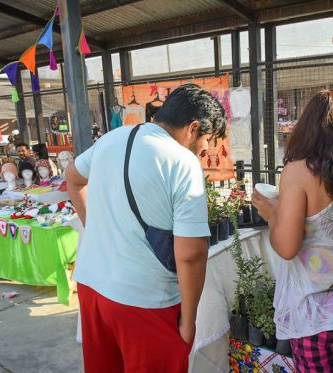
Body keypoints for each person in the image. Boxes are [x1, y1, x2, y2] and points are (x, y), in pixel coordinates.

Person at [65, 84, 226, 373]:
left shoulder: (110, 139)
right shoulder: (182, 162)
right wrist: (189, 322)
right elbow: (191, 254)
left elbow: (73, 179)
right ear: (193, 128)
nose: (204, 151)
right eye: (207, 141)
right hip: (145, 301)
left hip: (92, 288)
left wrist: (98, 229)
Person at [252, 91, 333, 372]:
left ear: (306, 126)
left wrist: (272, 215)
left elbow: (286, 247)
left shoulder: (298, 170)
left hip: (318, 315)